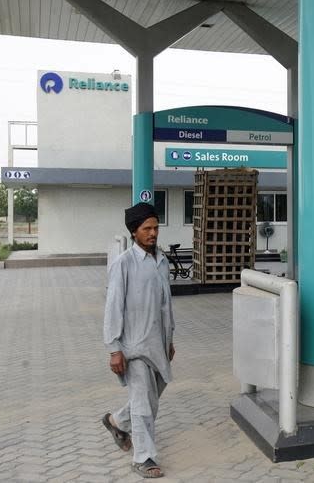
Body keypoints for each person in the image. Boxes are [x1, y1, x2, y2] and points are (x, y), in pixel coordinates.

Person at [102, 202, 175, 479]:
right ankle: (143, 458)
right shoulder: (124, 264)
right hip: (133, 348)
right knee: (143, 404)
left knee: (152, 400)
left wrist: (170, 339)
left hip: (158, 345)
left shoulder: (162, 261)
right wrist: (114, 349)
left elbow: (166, 305)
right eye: (147, 228)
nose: (153, 233)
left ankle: (116, 421)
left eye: (156, 228)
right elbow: (113, 307)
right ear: (134, 232)